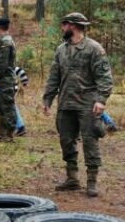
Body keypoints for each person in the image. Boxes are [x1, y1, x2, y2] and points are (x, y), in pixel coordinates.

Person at [42, 11, 114, 197]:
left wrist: (101, 100)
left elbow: (104, 78)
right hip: (66, 103)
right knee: (66, 140)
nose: (62, 27)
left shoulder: (94, 49)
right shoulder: (61, 50)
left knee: (90, 140)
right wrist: (48, 99)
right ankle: (72, 178)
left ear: (73, 25)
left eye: (64, 24)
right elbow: (54, 76)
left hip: (87, 103)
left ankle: (91, 181)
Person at [0, 62, 29, 136]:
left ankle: (20, 127)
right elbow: (21, 72)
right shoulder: (11, 65)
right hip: (13, 88)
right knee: (11, 106)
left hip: (5, 88)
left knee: (10, 107)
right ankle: (18, 127)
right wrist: (25, 82)